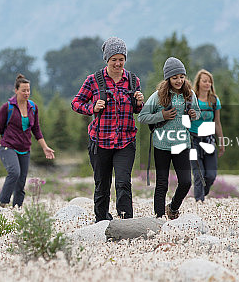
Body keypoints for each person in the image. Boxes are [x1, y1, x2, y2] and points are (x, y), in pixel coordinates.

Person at [71, 37, 144, 221]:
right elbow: (76, 103)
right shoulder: (93, 80)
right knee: (102, 185)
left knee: (123, 183)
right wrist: (92, 108)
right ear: (107, 59)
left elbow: (136, 110)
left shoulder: (133, 80)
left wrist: (139, 103)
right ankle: (102, 221)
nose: (118, 63)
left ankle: (126, 221)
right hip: (100, 141)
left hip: (126, 141)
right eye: (114, 59)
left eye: (121, 59)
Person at [138, 57, 200, 219]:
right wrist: (162, 115)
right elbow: (142, 117)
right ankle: (158, 219)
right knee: (162, 184)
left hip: (182, 144)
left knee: (186, 182)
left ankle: (172, 208)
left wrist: (194, 114)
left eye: (182, 77)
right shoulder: (158, 96)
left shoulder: (190, 94)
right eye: (175, 77)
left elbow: (198, 113)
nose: (179, 81)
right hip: (162, 145)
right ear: (168, 79)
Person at [0, 73, 54, 207]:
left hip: (25, 148)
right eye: (23, 90)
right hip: (8, 146)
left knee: (21, 181)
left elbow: (36, 129)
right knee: (14, 172)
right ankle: (3, 202)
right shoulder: (7, 107)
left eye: (28, 90)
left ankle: (17, 207)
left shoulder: (33, 107)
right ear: (16, 90)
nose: (26, 93)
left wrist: (45, 147)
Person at [190, 68, 225, 202]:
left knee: (210, 175)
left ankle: (202, 194)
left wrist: (221, 142)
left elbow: (217, 122)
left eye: (209, 82)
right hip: (193, 139)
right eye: (204, 81)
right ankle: (199, 201)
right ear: (198, 82)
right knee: (198, 174)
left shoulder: (214, 101)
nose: (207, 84)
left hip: (209, 140)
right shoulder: (191, 99)